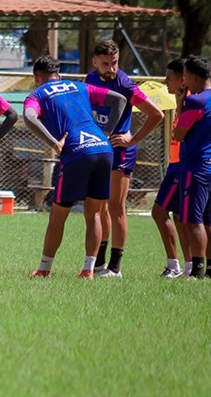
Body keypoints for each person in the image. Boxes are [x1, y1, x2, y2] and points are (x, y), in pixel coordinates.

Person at [23, 56, 126, 279]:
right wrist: (106, 133)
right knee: (94, 214)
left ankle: (44, 269)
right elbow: (119, 100)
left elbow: (29, 116)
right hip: (103, 148)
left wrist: (53, 142)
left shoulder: (37, 94)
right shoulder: (80, 86)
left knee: (58, 215)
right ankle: (88, 269)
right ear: (58, 74)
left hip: (77, 152)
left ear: (37, 77)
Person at [85, 39, 163, 277]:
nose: (111, 68)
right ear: (95, 62)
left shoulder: (125, 83)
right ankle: (99, 264)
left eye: (115, 62)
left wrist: (133, 139)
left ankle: (115, 267)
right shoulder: (89, 80)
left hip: (121, 150)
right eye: (106, 63)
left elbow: (156, 114)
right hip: (99, 148)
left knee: (116, 207)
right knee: (100, 207)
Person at [151, 59, 191, 277]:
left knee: (158, 211)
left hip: (182, 167)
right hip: (175, 166)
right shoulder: (181, 100)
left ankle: (178, 265)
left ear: (182, 79)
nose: (166, 81)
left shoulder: (193, 101)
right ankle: (187, 266)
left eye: (169, 77)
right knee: (178, 216)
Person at [172, 56, 211, 279]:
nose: (184, 81)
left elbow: (179, 133)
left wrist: (180, 105)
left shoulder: (196, 101)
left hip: (195, 166)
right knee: (208, 220)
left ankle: (196, 270)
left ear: (194, 77)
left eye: (185, 77)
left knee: (193, 220)